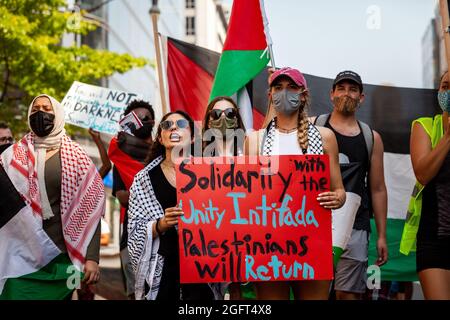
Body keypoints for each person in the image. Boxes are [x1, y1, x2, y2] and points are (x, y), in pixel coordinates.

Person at [245, 67, 346, 299]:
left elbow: (339, 189)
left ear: (303, 94)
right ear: (270, 95)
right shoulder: (255, 140)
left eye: (291, 87)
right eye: (278, 88)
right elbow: (249, 195)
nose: (284, 93)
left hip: (313, 241)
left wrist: (337, 198)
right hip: (268, 245)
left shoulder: (324, 137)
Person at [0, 94, 104, 299]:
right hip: (21, 256)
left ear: (57, 114)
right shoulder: (10, 156)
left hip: (64, 258)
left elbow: (91, 210)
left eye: (46, 109)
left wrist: (91, 258)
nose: (40, 113)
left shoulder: (77, 157)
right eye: (35, 108)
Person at [311, 70, 388, 300]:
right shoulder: (313, 127)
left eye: (353, 89)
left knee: (348, 294)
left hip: (356, 226)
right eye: (342, 88)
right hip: (316, 222)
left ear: (361, 97)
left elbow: (378, 188)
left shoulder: (371, 137)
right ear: (332, 94)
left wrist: (381, 235)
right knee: (314, 290)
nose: (347, 93)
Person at [128, 110, 217, 300]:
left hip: (201, 268)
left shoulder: (212, 176)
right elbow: (134, 232)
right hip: (163, 270)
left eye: (182, 125)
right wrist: (160, 224)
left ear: (193, 138)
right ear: (160, 138)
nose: (174, 127)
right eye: (167, 125)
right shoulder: (143, 180)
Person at [408, 71, 450, 299]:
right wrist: (447, 137)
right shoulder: (423, 126)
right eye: (445, 86)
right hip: (434, 237)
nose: (448, 92)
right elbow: (423, 174)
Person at [108, 100, 155, 300]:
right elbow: (122, 197)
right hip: (132, 234)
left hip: (166, 234)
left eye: (146, 118)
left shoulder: (167, 152)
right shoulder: (121, 158)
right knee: (136, 292)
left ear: (153, 122)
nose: (143, 122)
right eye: (137, 119)